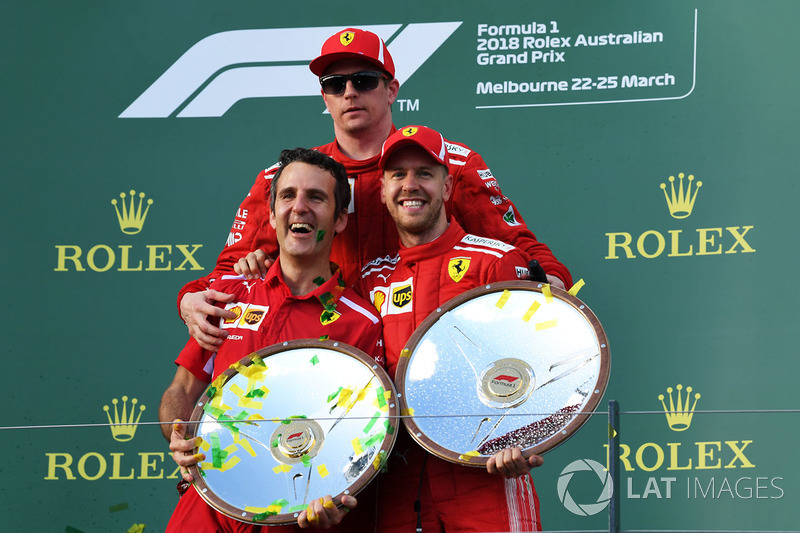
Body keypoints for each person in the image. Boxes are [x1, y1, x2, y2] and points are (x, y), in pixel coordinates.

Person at [177, 27, 573, 352]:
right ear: (325, 98)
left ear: (391, 89)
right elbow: (227, 272)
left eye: (364, 80)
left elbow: (519, 247)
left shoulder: (449, 162)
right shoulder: (292, 179)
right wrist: (189, 300)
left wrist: (552, 282)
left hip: (428, 346)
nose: (349, 92)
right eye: (335, 84)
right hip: (334, 351)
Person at [158, 148, 384, 532]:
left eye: (316, 197)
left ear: (340, 218)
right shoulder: (229, 296)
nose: (300, 207)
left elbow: (368, 438)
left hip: (296, 518)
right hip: (208, 507)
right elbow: (181, 388)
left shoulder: (362, 322)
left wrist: (338, 495)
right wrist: (180, 430)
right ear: (271, 213)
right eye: (288, 195)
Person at [356, 125, 544, 532]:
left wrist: (526, 440)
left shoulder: (496, 263)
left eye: (425, 173)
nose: (411, 185)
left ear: (446, 188)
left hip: (487, 474)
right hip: (397, 488)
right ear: (383, 191)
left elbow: (540, 365)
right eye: (398, 175)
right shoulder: (369, 280)